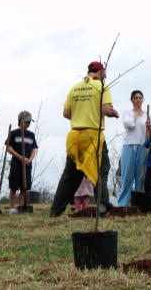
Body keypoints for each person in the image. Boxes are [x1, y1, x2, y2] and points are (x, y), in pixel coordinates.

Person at [50, 61, 119, 217]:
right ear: (100, 72)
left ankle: (55, 211)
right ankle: (102, 206)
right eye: (104, 74)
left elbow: (66, 113)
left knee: (69, 176)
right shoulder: (102, 87)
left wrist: (81, 116)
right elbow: (106, 110)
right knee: (101, 170)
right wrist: (115, 113)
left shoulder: (75, 88)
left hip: (75, 137)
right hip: (93, 136)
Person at [117, 90, 151, 206]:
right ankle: (123, 203)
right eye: (136, 98)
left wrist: (149, 126)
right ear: (132, 100)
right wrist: (136, 115)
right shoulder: (127, 112)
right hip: (129, 145)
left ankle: (137, 204)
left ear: (142, 100)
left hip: (143, 146)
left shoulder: (148, 115)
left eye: (140, 98)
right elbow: (129, 125)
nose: (138, 100)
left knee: (140, 176)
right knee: (127, 175)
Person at [7, 111, 38, 215]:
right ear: (20, 121)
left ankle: (21, 208)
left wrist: (30, 159)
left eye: (29, 122)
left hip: (27, 165)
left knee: (24, 188)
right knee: (13, 187)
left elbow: (34, 149)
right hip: (16, 164)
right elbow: (9, 148)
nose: (28, 124)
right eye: (26, 122)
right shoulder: (14, 133)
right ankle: (11, 209)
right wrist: (20, 157)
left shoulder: (31, 135)